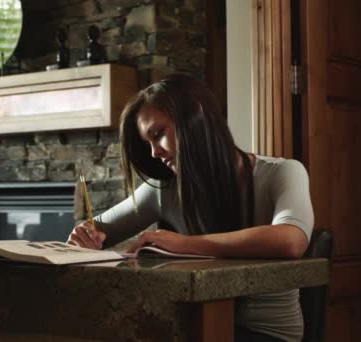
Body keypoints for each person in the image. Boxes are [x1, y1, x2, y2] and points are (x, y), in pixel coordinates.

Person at [67, 73, 314, 342]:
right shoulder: (164, 191)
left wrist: (183, 243)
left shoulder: (282, 173)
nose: (154, 153)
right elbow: (97, 228)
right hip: (191, 329)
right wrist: (85, 236)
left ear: (196, 115)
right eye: (147, 142)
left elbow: (291, 239)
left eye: (158, 134)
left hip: (267, 334)